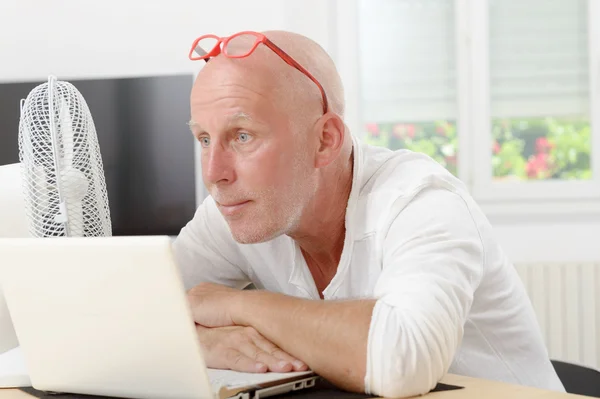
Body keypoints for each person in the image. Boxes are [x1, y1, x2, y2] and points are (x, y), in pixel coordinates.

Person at [172, 30, 565, 398]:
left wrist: (235, 306)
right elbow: (127, 316)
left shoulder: (421, 200)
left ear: (325, 140)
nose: (213, 173)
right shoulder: (237, 207)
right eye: (204, 139)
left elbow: (402, 360)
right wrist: (201, 340)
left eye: (243, 136)